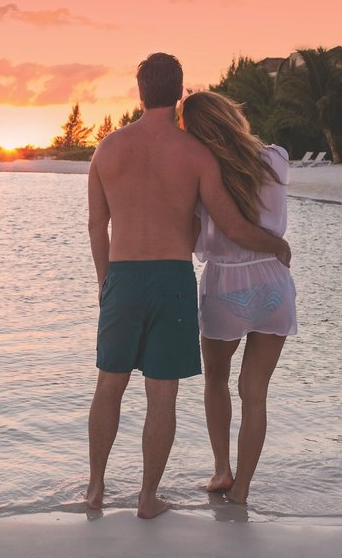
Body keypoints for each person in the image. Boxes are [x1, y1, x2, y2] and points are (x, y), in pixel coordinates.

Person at [86, 53, 290, 519]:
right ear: (179, 93)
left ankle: (95, 489)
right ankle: (146, 497)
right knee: (162, 394)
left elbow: (97, 225)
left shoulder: (107, 149)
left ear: (139, 93)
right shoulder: (195, 154)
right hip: (172, 280)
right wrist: (275, 245)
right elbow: (232, 226)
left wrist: (105, 282)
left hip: (122, 275)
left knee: (108, 387)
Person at [180, 91, 297, 504]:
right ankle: (243, 489)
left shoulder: (202, 171)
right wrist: (277, 246)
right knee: (255, 392)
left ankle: (221, 472)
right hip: (272, 281)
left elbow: (196, 236)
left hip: (224, 284)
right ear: (232, 114)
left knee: (216, 381)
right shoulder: (277, 158)